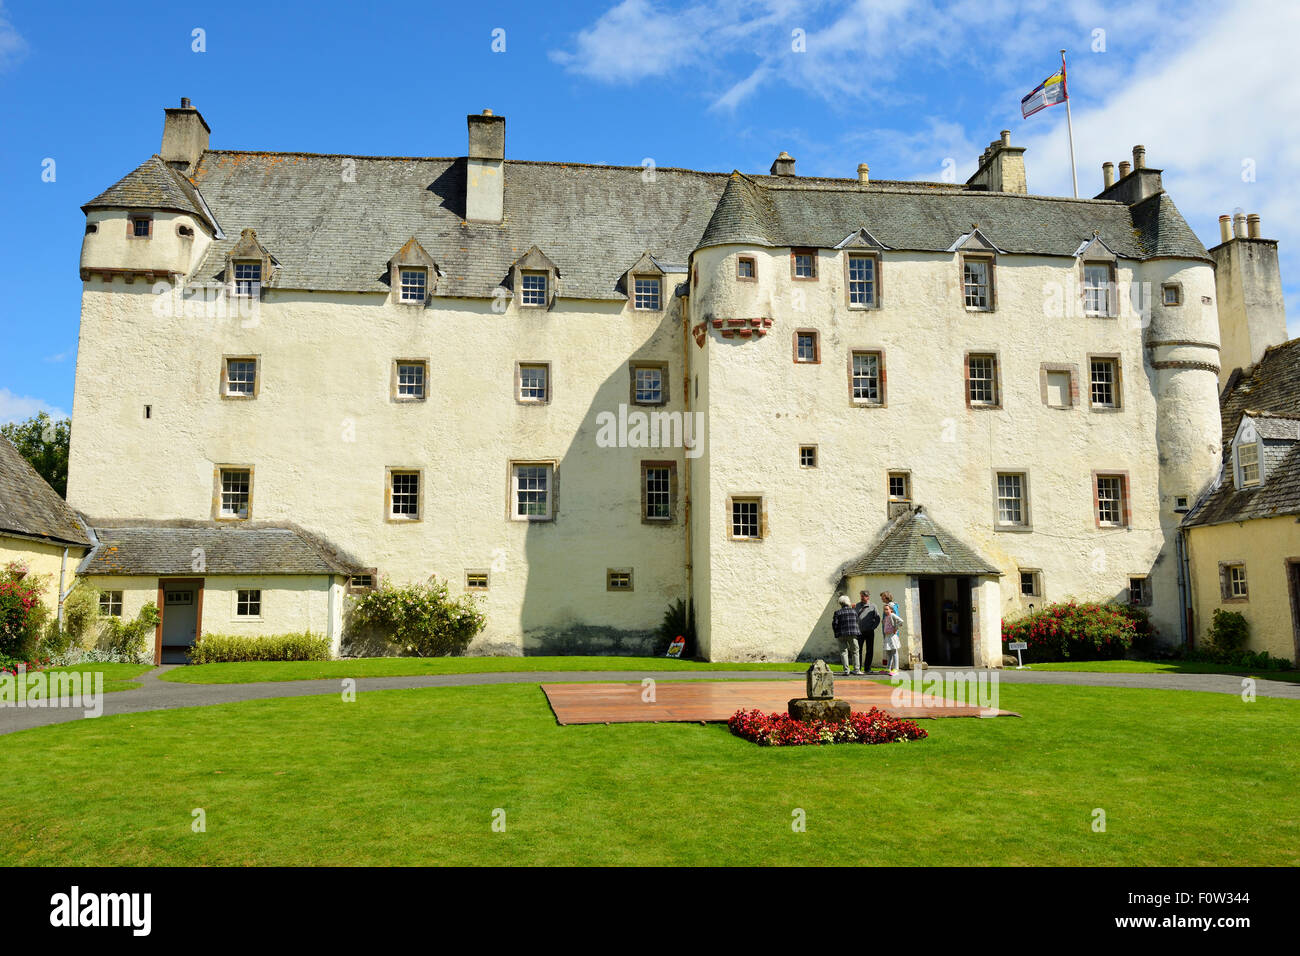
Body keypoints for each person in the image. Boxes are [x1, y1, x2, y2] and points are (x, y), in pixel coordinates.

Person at [831, 595, 861, 677]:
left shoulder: (838, 612)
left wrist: (836, 633)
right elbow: (857, 621)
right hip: (852, 633)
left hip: (841, 634)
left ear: (840, 603)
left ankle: (846, 670)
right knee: (855, 651)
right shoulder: (854, 612)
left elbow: (834, 624)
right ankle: (856, 670)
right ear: (848, 602)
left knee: (843, 652)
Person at [854, 590, 880, 675]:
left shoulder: (873, 606)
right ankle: (858, 668)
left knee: (869, 650)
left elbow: (877, 618)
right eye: (861, 596)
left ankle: (867, 668)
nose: (862, 598)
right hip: (859, 632)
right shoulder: (857, 605)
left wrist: (873, 627)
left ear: (868, 597)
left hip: (869, 631)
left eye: (863, 596)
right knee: (859, 650)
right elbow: (855, 616)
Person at [880, 592, 903, 676]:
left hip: (892, 634)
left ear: (886, 597)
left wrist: (895, 628)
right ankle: (888, 668)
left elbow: (898, 619)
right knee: (888, 651)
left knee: (894, 651)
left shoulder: (891, 606)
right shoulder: (887, 606)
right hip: (887, 633)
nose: (881, 598)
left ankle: (896, 668)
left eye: (882, 597)